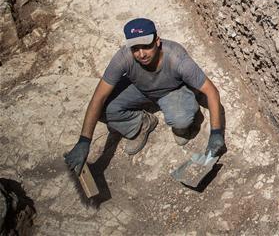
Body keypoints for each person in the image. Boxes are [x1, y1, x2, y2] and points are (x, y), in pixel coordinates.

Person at [63, 18, 225, 174]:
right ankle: (142, 124)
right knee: (103, 109)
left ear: (157, 41)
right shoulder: (123, 58)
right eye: (135, 48)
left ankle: (189, 118)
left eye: (146, 46)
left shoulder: (177, 58)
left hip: (172, 90)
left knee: (181, 120)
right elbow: (98, 97)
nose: (141, 54)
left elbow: (211, 91)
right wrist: (84, 141)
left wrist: (216, 133)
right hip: (141, 89)